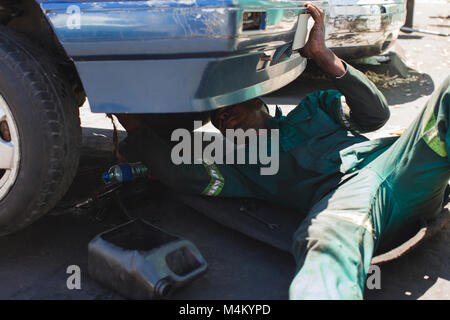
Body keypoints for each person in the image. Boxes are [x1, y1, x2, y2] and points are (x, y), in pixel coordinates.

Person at [115, 2, 450, 299]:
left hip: (400, 167)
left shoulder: (317, 108)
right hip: (346, 201)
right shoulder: (242, 164)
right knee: (322, 239)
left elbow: (376, 115)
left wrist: (324, 56)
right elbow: (178, 174)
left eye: (230, 112)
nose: (225, 123)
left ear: (259, 102)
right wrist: (133, 124)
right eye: (218, 122)